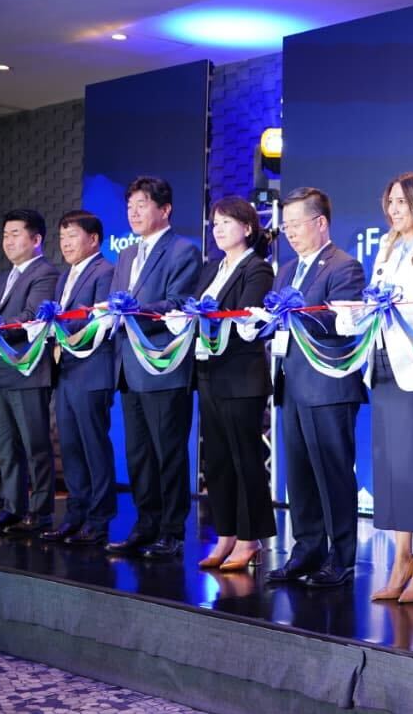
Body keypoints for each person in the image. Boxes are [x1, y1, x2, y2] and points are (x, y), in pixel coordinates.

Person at [336, 172, 413, 603]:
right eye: (390, 202)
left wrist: (389, 302)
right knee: (393, 469)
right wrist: (359, 311)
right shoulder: (387, 247)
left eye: (402, 203)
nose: (393, 210)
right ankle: (400, 557)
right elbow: (376, 301)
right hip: (385, 363)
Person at [265, 187, 368, 588]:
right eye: (285, 226)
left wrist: (295, 315)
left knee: (333, 474)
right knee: (300, 475)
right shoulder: (287, 270)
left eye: (296, 224)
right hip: (292, 384)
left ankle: (341, 558)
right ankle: (306, 549)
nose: (290, 232)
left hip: (328, 386)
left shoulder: (344, 266)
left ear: (321, 222)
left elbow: (339, 322)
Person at [105, 176, 202, 559]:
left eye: (142, 205)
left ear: (165, 209)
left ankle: (172, 532)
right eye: (130, 206)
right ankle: (145, 524)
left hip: (164, 366)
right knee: (138, 453)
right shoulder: (127, 254)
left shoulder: (183, 251)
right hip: (129, 367)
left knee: (168, 452)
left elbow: (178, 303)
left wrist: (133, 311)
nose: (133, 213)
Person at [193, 196, 277, 572]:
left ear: (247, 227)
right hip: (209, 371)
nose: (219, 229)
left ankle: (250, 538)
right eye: (215, 223)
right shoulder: (211, 268)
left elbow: (244, 315)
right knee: (217, 461)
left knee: (246, 459)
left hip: (241, 376)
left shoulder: (257, 268)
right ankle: (225, 533)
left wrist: (209, 317)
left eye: (226, 222)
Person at [0, 209, 59, 535]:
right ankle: (12, 508)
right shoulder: (3, 279)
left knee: (35, 446)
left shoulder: (45, 273)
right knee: (7, 449)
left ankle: (41, 513)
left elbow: (30, 316)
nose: (8, 241)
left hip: (26, 373)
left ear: (36, 239)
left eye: (15, 234)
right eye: (5, 235)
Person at [41, 210, 117, 547]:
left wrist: (56, 326)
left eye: (72, 236)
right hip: (66, 370)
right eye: (62, 237)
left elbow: (97, 321)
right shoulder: (63, 277)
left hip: (92, 369)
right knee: (69, 446)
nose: (66, 243)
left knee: (93, 446)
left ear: (93, 239)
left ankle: (99, 520)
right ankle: (75, 515)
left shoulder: (106, 271)